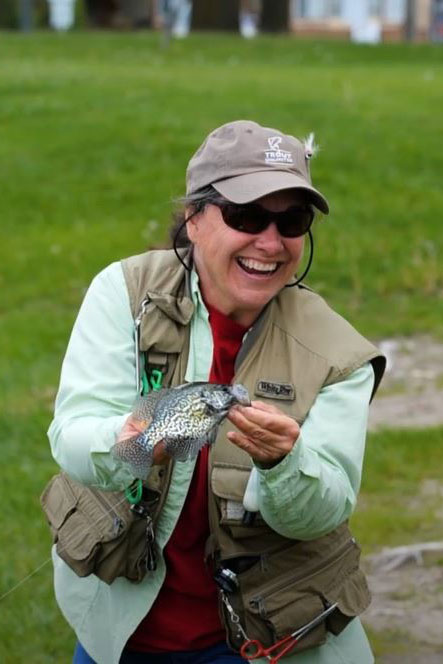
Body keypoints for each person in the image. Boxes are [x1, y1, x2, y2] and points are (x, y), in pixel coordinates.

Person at [45, 120, 386, 663]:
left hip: (271, 641)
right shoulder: (123, 292)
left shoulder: (340, 354)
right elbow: (72, 432)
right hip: (121, 632)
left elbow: (322, 511)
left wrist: (284, 462)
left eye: (292, 220)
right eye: (246, 215)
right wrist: (129, 439)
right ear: (194, 220)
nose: (270, 242)